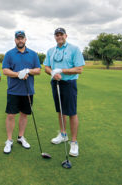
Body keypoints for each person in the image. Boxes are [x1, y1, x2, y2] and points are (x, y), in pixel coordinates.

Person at [43, 27, 85, 157]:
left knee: (71, 112)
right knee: (60, 111)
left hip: (69, 84)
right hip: (56, 83)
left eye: (61, 34)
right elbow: (46, 67)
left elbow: (79, 69)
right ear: (55, 37)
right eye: (57, 35)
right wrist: (52, 73)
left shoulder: (74, 49)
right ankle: (63, 134)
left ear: (66, 36)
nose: (59, 37)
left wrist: (61, 70)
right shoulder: (51, 50)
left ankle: (73, 142)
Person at [2, 30, 41, 154]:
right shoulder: (9, 54)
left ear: (25, 39)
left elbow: (38, 70)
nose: (20, 40)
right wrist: (18, 74)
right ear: (15, 40)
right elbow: (5, 71)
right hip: (13, 91)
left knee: (24, 115)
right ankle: (9, 140)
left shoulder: (33, 54)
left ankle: (20, 137)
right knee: (10, 115)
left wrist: (27, 71)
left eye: (22, 38)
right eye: (18, 38)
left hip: (28, 91)